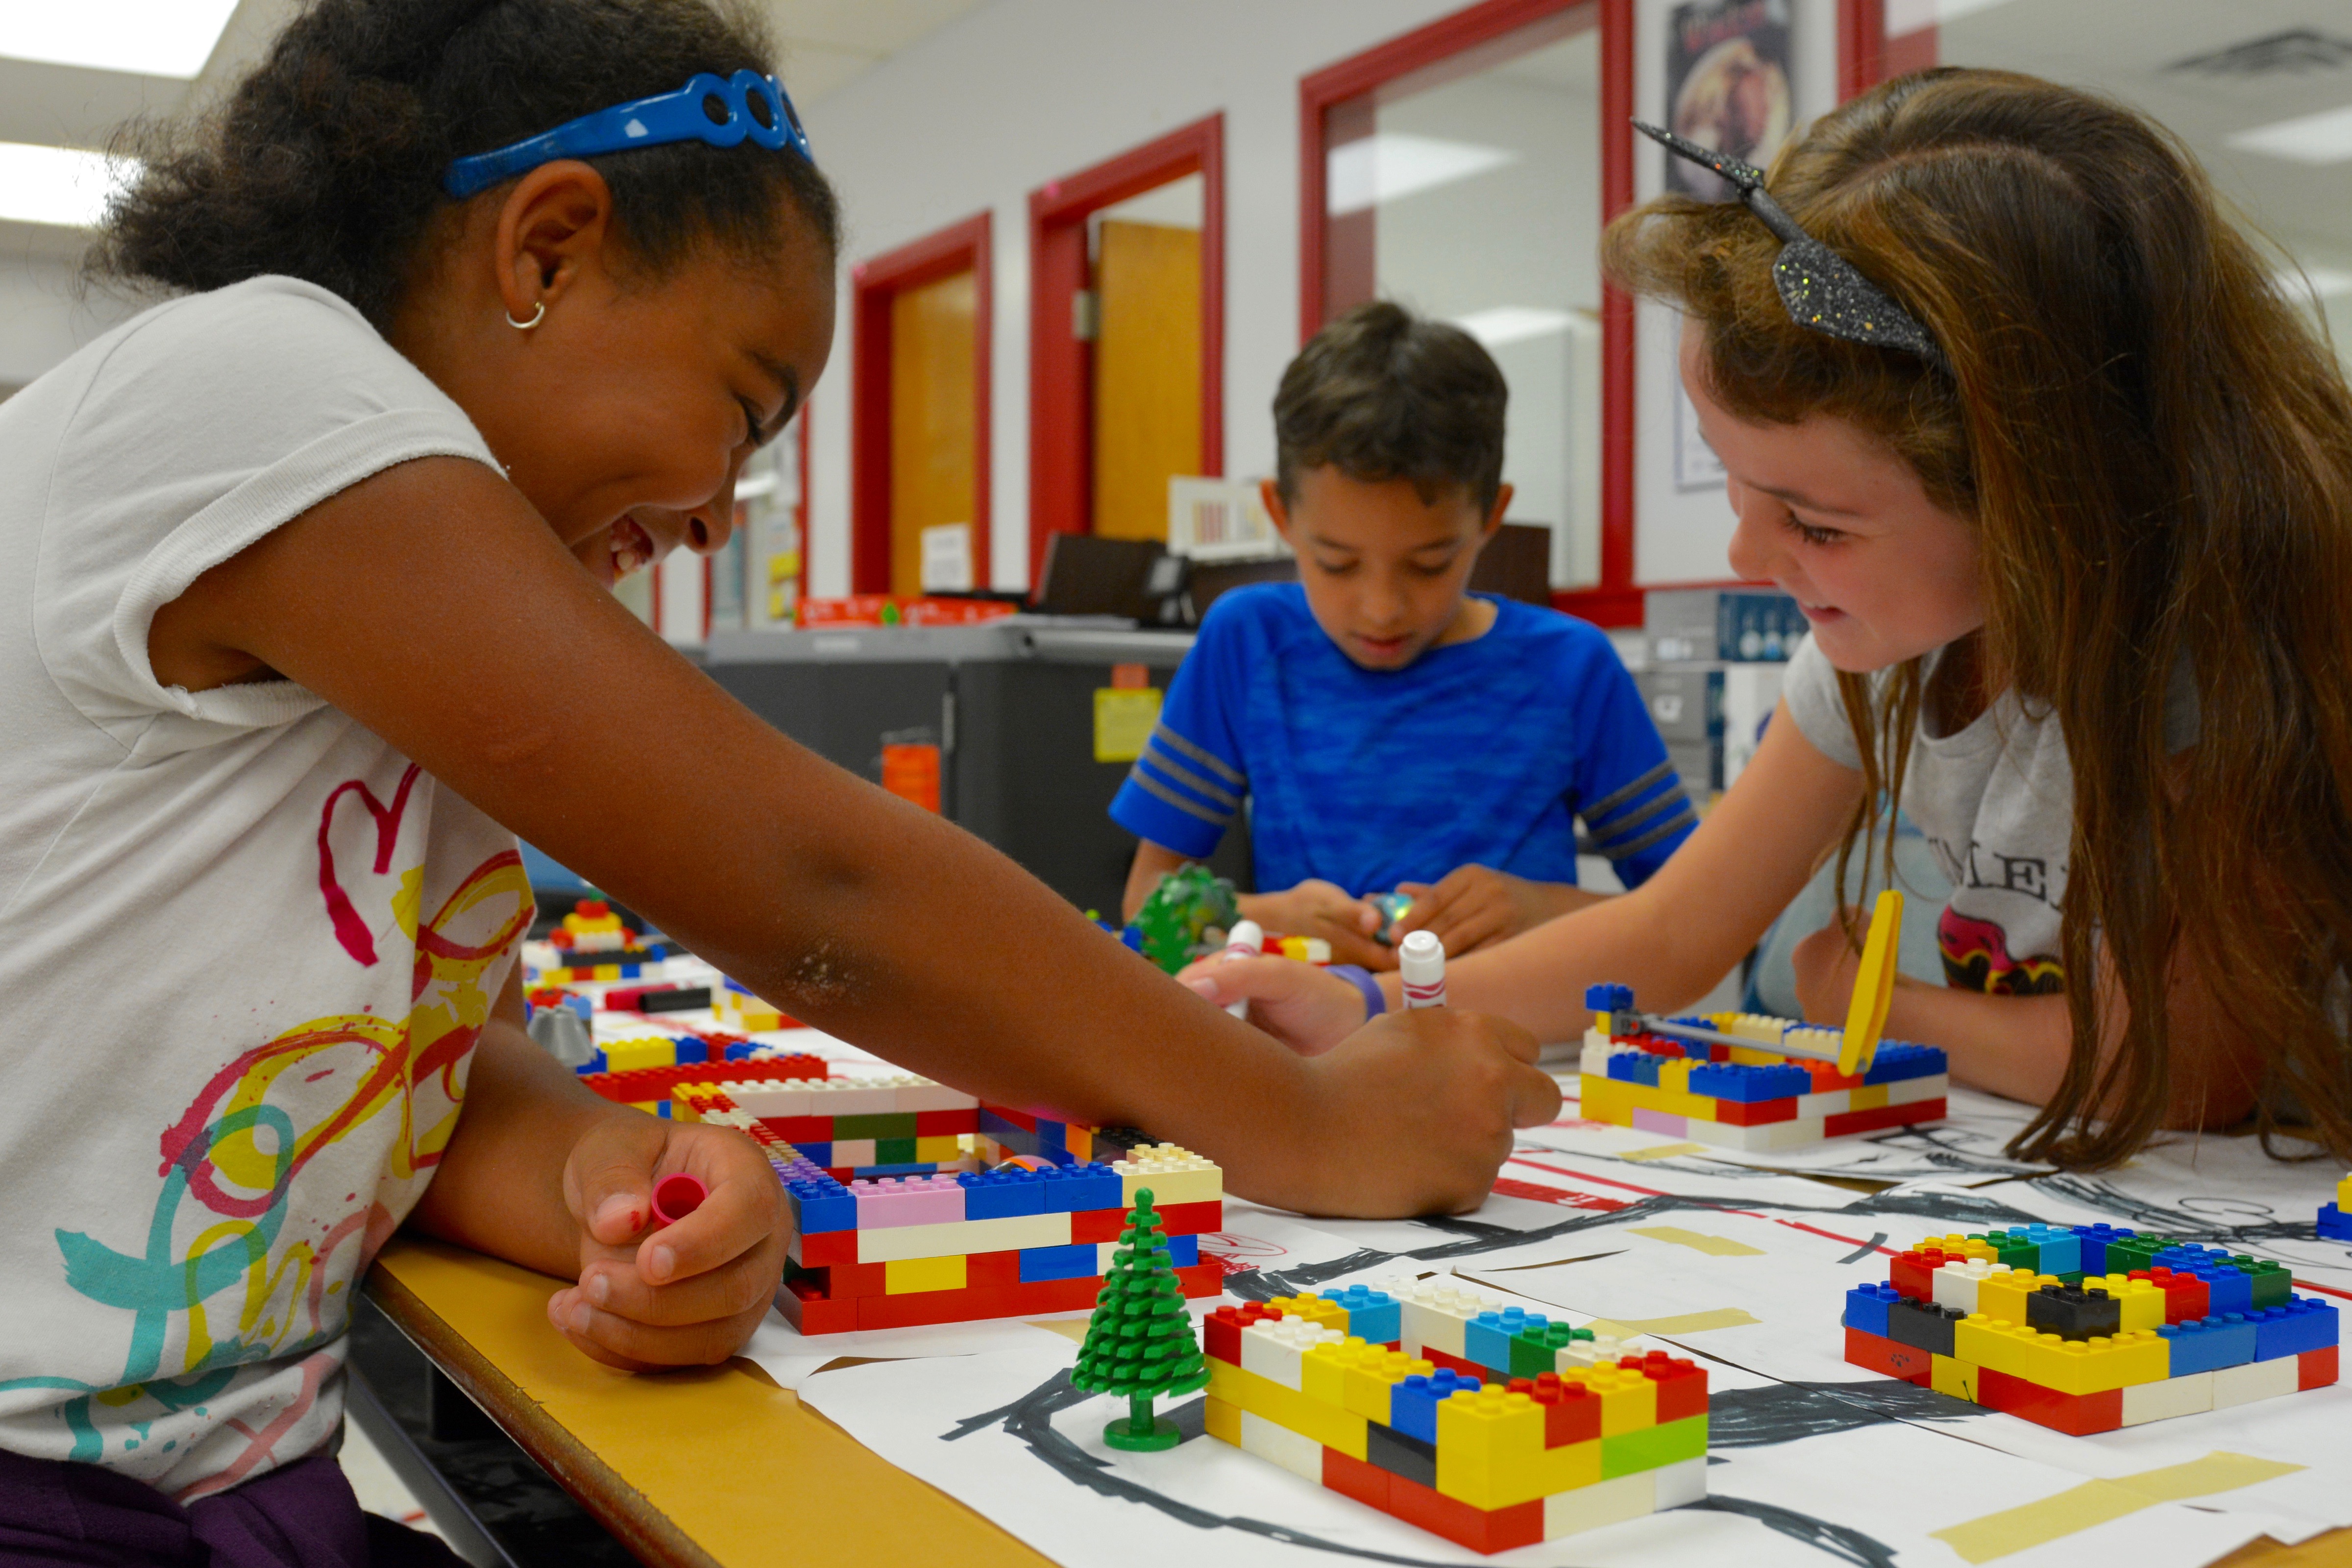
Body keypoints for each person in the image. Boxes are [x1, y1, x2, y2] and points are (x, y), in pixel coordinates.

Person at [0, 0, 1557, 1553]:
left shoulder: (371, 674)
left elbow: (410, 1068)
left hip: (216, 1488)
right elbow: (816, 890)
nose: (719, 519)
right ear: (546, 251)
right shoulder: (259, 379)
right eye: (744, 410)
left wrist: (615, 1178)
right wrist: (1301, 1123)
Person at [1184, 68, 2352, 1172]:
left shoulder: (2215, 650)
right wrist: (1380, 1006)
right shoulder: (1891, 639)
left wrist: (1865, 995)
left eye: (1816, 522)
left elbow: (2175, 1066)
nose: (1750, 556)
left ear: (2046, 496)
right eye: (1738, 489)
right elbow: (1669, 935)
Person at [1112, 302, 1697, 968]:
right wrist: (1273, 917)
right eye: (1337, 563)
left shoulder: (1571, 669)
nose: (1383, 609)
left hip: (1517, 1052)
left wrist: (1541, 911)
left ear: (1491, 517)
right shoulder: (1247, 644)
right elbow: (1146, 902)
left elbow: (1697, 914)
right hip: (1316, 1060)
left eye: (1429, 564)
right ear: (1281, 513)